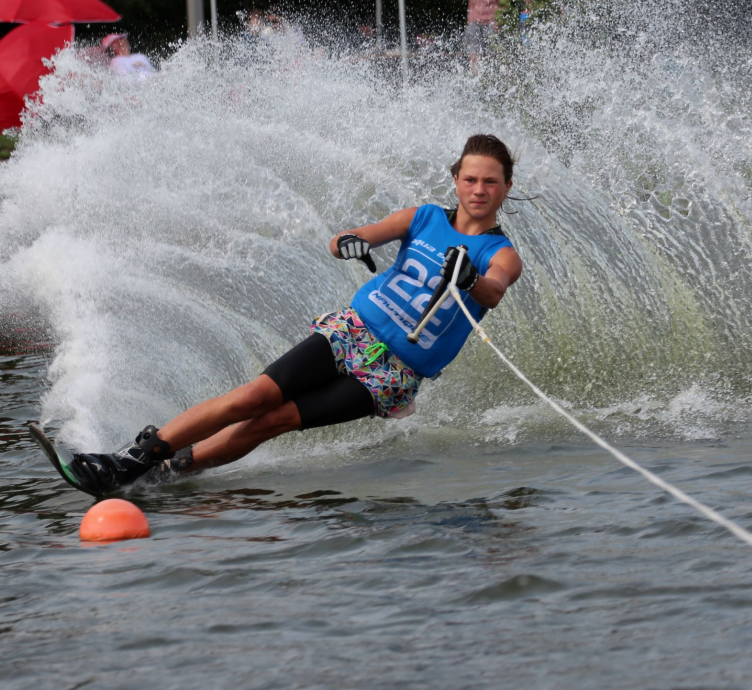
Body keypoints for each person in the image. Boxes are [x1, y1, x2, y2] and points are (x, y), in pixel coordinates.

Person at [62, 134, 525, 496]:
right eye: (470, 179)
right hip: (352, 332)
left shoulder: (500, 253)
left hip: (392, 375)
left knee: (272, 422)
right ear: (457, 180)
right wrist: (351, 241)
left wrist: (469, 279)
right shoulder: (423, 218)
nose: (478, 190)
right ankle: (129, 460)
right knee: (252, 398)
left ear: (505, 187)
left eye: (490, 182)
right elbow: (350, 236)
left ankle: (172, 470)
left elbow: (494, 290)